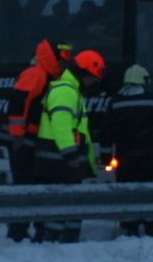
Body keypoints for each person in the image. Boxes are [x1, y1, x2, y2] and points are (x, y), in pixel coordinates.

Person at [33, 49, 105, 243]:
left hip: (62, 162)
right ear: (82, 72)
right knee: (61, 207)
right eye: (92, 79)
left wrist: (88, 160)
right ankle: (52, 243)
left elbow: (79, 132)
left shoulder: (70, 91)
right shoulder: (65, 91)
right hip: (59, 162)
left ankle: (65, 241)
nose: (92, 84)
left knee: (69, 206)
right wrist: (71, 155)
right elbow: (62, 126)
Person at [3, 40, 71, 242]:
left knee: (30, 183)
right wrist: (17, 135)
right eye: (62, 59)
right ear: (53, 57)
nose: (65, 64)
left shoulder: (47, 76)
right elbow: (18, 103)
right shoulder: (36, 74)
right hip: (22, 139)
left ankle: (24, 228)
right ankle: (17, 232)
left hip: (28, 138)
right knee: (24, 185)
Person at [99, 63, 153, 237]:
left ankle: (130, 225)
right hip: (149, 158)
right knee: (149, 192)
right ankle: (150, 225)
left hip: (125, 159)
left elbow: (106, 134)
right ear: (143, 81)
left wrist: (106, 157)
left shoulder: (115, 102)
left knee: (127, 191)